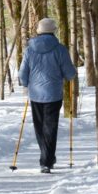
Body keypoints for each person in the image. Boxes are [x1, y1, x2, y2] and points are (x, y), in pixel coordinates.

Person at [19, 18, 77, 173]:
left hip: (35, 94)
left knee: (40, 127)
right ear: (53, 31)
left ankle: (46, 157)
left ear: (39, 31)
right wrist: (72, 73)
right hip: (53, 94)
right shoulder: (60, 49)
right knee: (50, 127)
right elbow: (69, 73)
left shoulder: (29, 49)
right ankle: (47, 160)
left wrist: (25, 84)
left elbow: (23, 72)